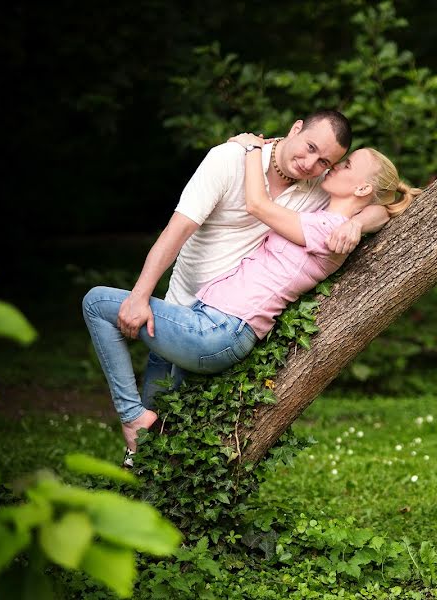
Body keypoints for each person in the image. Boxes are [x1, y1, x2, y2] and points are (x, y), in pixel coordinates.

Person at [82, 133, 422, 463]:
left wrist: (249, 150)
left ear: (362, 187)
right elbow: (382, 209)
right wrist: (362, 221)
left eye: (345, 165)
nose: (332, 167)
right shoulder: (328, 221)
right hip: (212, 322)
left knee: (98, 303)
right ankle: (143, 463)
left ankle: (130, 416)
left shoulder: (326, 229)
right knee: (162, 423)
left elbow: (257, 204)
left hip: (219, 329)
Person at [114, 110, 390, 417]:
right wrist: (140, 295)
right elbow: (175, 233)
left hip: (228, 321)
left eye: (325, 162)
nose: (312, 165)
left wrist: (358, 224)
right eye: (310, 147)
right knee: (151, 425)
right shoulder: (230, 159)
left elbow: (383, 205)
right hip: (180, 307)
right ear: (296, 128)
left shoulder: (321, 186)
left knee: (184, 429)